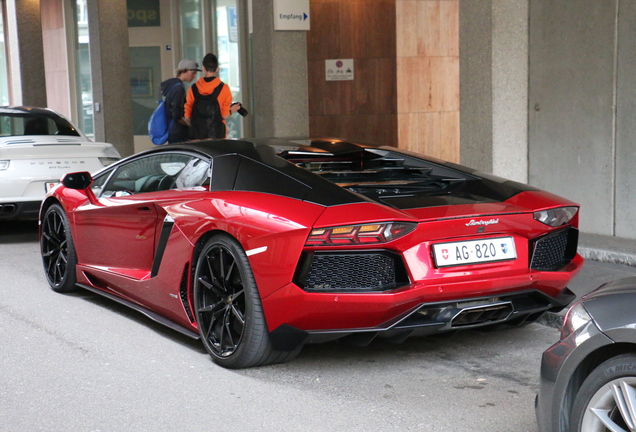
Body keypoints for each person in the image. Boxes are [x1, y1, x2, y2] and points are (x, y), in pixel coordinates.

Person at [184, 53, 240, 139]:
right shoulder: (224, 88)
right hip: (217, 137)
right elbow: (225, 116)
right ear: (217, 69)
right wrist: (231, 110)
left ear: (203, 68)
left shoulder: (193, 89)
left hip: (197, 138)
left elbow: (187, 117)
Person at [159, 59, 200, 143]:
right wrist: (188, 124)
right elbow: (176, 114)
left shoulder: (171, 86)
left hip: (172, 131)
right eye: (193, 73)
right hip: (179, 132)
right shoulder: (179, 89)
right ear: (184, 71)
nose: (194, 77)